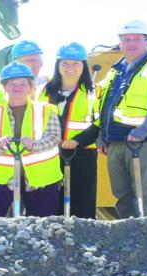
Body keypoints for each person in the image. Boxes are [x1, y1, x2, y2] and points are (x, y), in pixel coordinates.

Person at [93, 19, 147, 218]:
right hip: (116, 141)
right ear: (120, 43)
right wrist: (102, 136)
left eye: (137, 39)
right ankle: (129, 236)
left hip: (145, 141)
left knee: (145, 193)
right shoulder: (115, 71)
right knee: (122, 194)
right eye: (126, 39)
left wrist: (143, 131)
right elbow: (105, 106)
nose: (131, 43)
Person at [0, 63, 63, 217]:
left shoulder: (46, 110)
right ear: (4, 87)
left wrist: (34, 145)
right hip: (3, 177)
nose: (17, 88)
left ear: (30, 86)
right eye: (12, 84)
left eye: (23, 84)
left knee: (43, 224)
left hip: (40, 176)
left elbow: (54, 137)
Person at [48, 43, 99, 219]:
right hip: (50, 155)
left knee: (82, 202)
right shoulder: (44, 91)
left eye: (76, 63)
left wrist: (77, 141)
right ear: (58, 65)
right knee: (53, 202)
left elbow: (98, 123)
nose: (71, 68)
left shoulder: (94, 92)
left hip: (82, 154)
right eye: (66, 63)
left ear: (84, 66)